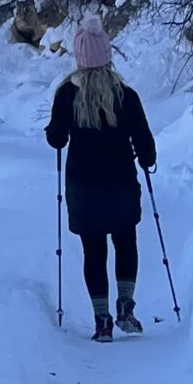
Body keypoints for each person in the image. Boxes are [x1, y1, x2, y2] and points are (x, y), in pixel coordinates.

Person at [45, 17, 158, 342]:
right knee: (126, 243)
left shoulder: (67, 94)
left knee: (93, 252)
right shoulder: (126, 95)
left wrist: (53, 131)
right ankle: (126, 307)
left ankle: (102, 321)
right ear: (107, 55)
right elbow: (145, 143)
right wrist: (147, 161)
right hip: (121, 182)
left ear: (79, 58)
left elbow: (57, 140)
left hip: (83, 187)